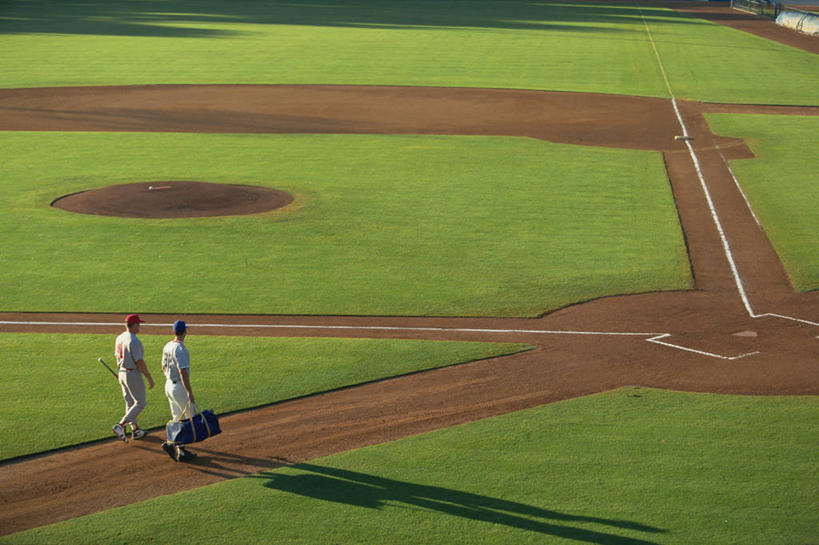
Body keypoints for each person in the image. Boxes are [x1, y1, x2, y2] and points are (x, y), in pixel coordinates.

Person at [112, 313, 155, 442]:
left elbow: (117, 357)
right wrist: (149, 377)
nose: (140, 326)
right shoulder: (133, 340)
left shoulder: (120, 337)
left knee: (130, 402)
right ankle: (120, 425)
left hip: (122, 372)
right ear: (134, 325)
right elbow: (140, 362)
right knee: (140, 403)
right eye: (139, 324)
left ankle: (135, 430)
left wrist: (121, 373)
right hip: (132, 374)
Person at [160, 320, 197, 462]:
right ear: (185, 331)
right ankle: (175, 447)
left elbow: (163, 366)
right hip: (179, 387)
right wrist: (189, 391)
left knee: (177, 418)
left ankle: (178, 448)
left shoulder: (167, 345)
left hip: (169, 385)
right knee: (188, 418)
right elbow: (183, 372)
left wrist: (169, 378)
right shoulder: (181, 349)